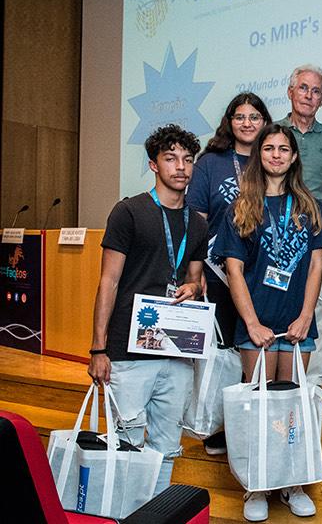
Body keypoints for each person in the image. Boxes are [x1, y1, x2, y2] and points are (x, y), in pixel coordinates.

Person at [214, 123, 322, 521]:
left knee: (292, 410)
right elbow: (233, 269)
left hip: (297, 326)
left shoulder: (310, 205)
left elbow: (316, 263)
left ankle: (293, 484)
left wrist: (306, 316)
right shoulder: (243, 207)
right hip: (258, 326)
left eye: (285, 148)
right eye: (269, 148)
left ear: (294, 156)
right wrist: (251, 324)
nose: (277, 155)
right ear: (258, 155)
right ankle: (256, 487)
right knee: (259, 406)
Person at [87, 124, 207, 494]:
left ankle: (157, 512)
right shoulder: (129, 212)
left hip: (176, 350)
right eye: (171, 158)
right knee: (125, 446)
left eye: (187, 159)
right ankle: (125, 513)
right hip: (128, 350)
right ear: (154, 164)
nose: (181, 167)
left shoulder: (198, 224)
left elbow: (196, 281)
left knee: (167, 448)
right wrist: (98, 348)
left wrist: (193, 286)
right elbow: (108, 281)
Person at [186, 92, 272, 456]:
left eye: (255, 116)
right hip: (219, 269)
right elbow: (198, 218)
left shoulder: (272, 156)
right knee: (225, 350)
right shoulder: (211, 162)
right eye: (240, 117)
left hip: (264, 270)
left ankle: (254, 424)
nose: (248, 123)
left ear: (264, 121)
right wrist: (197, 269)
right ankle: (221, 425)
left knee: (256, 343)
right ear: (229, 121)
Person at [276, 64, 322, 388]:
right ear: (291, 92)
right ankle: (277, 375)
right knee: (277, 299)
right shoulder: (273, 133)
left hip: (318, 233)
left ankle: (312, 381)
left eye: (316, 91)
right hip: (276, 235)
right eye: (303, 88)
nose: (309, 95)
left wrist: (315, 227)